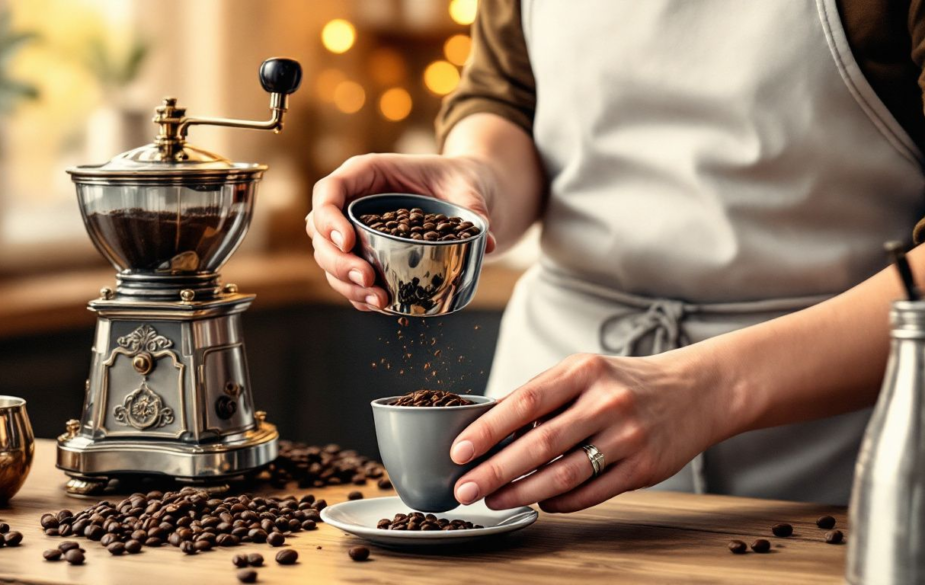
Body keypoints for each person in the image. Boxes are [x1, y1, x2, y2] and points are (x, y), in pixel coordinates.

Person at [306, 0, 925, 513]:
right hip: (549, 418)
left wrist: (706, 390)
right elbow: (506, 99)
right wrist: (472, 183)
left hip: (827, 442)